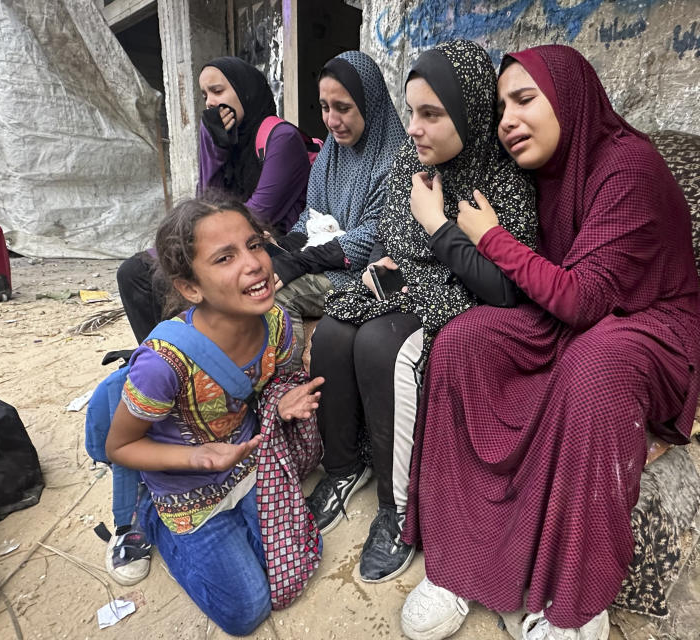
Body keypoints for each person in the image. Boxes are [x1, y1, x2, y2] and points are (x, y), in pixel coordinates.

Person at [398, 45, 700, 640]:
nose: (507, 120)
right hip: (575, 315)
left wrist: (487, 236)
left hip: (649, 323)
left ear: (569, 98)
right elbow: (559, 290)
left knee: (594, 370)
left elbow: (580, 299)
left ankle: (576, 603)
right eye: (499, 108)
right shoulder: (544, 172)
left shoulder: (629, 166)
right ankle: (460, 560)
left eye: (524, 100)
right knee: (464, 340)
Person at [305, 40, 538, 584]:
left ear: (471, 113)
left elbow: (504, 288)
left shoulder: (502, 180)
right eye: (411, 112)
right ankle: (345, 468)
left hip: (466, 298)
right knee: (334, 333)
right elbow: (393, 233)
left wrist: (437, 224)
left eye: (431, 114)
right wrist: (384, 263)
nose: (413, 127)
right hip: (410, 283)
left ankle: (398, 507)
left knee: (383, 346)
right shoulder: (412, 163)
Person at [105, 197, 325, 635]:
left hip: (246, 467)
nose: (254, 265)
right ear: (191, 288)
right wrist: (197, 458)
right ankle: (149, 517)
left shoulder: (278, 324)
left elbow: (267, 385)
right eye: (225, 258)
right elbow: (120, 446)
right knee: (247, 610)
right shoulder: (163, 363)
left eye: (255, 245)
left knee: (291, 568)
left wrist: (278, 404)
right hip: (185, 490)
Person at [118, 57, 312, 346]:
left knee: (196, 272)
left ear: (244, 90)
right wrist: (214, 148)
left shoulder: (282, 139)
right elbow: (204, 205)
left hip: (268, 243)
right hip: (223, 238)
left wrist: (202, 245)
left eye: (218, 91)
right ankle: (164, 358)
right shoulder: (225, 138)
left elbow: (257, 215)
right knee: (134, 272)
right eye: (205, 95)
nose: (210, 102)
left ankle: (198, 355)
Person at [270, 50, 407, 354]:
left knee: (277, 296)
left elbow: (375, 234)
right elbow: (312, 214)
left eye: (343, 108)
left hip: (357, 275)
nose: (332, 120)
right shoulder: (330, 154)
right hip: (322, 258)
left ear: (369, 104)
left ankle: (290, 386)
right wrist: (284, 246)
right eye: (324, 107)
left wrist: (301, 260)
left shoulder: (396, 161)